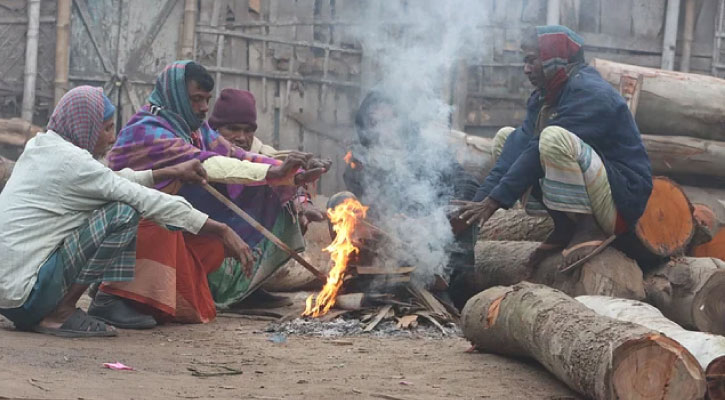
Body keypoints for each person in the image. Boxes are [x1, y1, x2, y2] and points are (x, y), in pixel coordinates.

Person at [0, 86, 250, 337]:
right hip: (27, 297)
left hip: (7, 299)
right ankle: (61, 314)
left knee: (112, 202)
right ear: (84, 126)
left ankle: (88, 301)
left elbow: (111, 180)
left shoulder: (42, 146)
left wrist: (169, 172)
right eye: (107, 128)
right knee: (123, 212)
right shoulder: (74, 163)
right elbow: (140, 198)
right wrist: (220, 229)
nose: (112, 137)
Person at [92, 61, 326, 325]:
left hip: (167, 221)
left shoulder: (192, 128)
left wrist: (290, 176)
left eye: (206, 100)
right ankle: (114, 295)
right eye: (196, 99)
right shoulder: (146, 131)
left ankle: (235, 289)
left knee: (263, 198)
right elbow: (206, 163)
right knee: (161, 224)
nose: (204, 108)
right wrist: (274, 172)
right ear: (177, 96)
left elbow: (235, 156)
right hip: (127, 230)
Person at [455, 25, 652, 271]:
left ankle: (589, 228)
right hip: (600, 187)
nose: (525, 69)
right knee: (507, 138)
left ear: (553, 58)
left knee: (551, 139)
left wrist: (494, 201)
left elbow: (537, 151)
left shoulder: (588, 93)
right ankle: (565, 226)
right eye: (524, 61)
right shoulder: (545, 96)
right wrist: (476, 206)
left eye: (532, 61)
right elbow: (517, 149)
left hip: (622, 202)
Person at [339, 90, 479, 309]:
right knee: (339, 203)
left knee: (462, 210)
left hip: (435, 238)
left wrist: (436, 217)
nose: (383, 129)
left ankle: (448, 289)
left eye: (390, 119)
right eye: (374, 122)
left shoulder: (426, 151)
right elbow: (375, 211)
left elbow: (468, 183)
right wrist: (402, 221)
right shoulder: (360, 164)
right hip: (388, 244)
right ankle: (381, 288)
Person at [206, 88, 329, 309]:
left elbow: (284, 172)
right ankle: (215, 287)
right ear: (215, 128)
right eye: (232, 129)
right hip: (209, 235)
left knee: (285, 203)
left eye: (248, 130)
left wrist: (303, 205)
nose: (241, 138)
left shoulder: (259, 151)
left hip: (245, 235)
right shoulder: (203, 148)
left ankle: (249, 287)